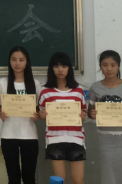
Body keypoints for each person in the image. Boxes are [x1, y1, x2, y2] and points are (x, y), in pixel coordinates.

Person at [88, 50, 122, 184]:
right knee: (109, 174)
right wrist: (92, 114)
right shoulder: (95, 87)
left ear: (118, 66)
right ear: (100, 66)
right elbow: (90, 112)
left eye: (113, 65)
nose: (109, 69)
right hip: (106, 140)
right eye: (105, 65)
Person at [0, 47, 42, 185]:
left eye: (21, 60)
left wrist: (37, 115)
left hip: (30, 135)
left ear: (27, 62)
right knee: (13, 177)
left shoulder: (35, 84)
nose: (17, 63)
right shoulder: (2, 83)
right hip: (8, 134)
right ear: (9, 61)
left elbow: (38, 109)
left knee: (29, 177)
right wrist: (1, 112)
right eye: (14, 59)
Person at [39, 52, 87, 185]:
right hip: (55, 139)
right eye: (56, 66)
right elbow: (41, 113)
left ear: (69, 68)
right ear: (51, 68)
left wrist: (83, 116)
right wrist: (41, 115)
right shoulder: (45, 90)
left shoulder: (78, 90)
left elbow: (83, 113)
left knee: (78, 180)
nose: (60, 70)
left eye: (64, 66)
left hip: (76, 139)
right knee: (59, 181)